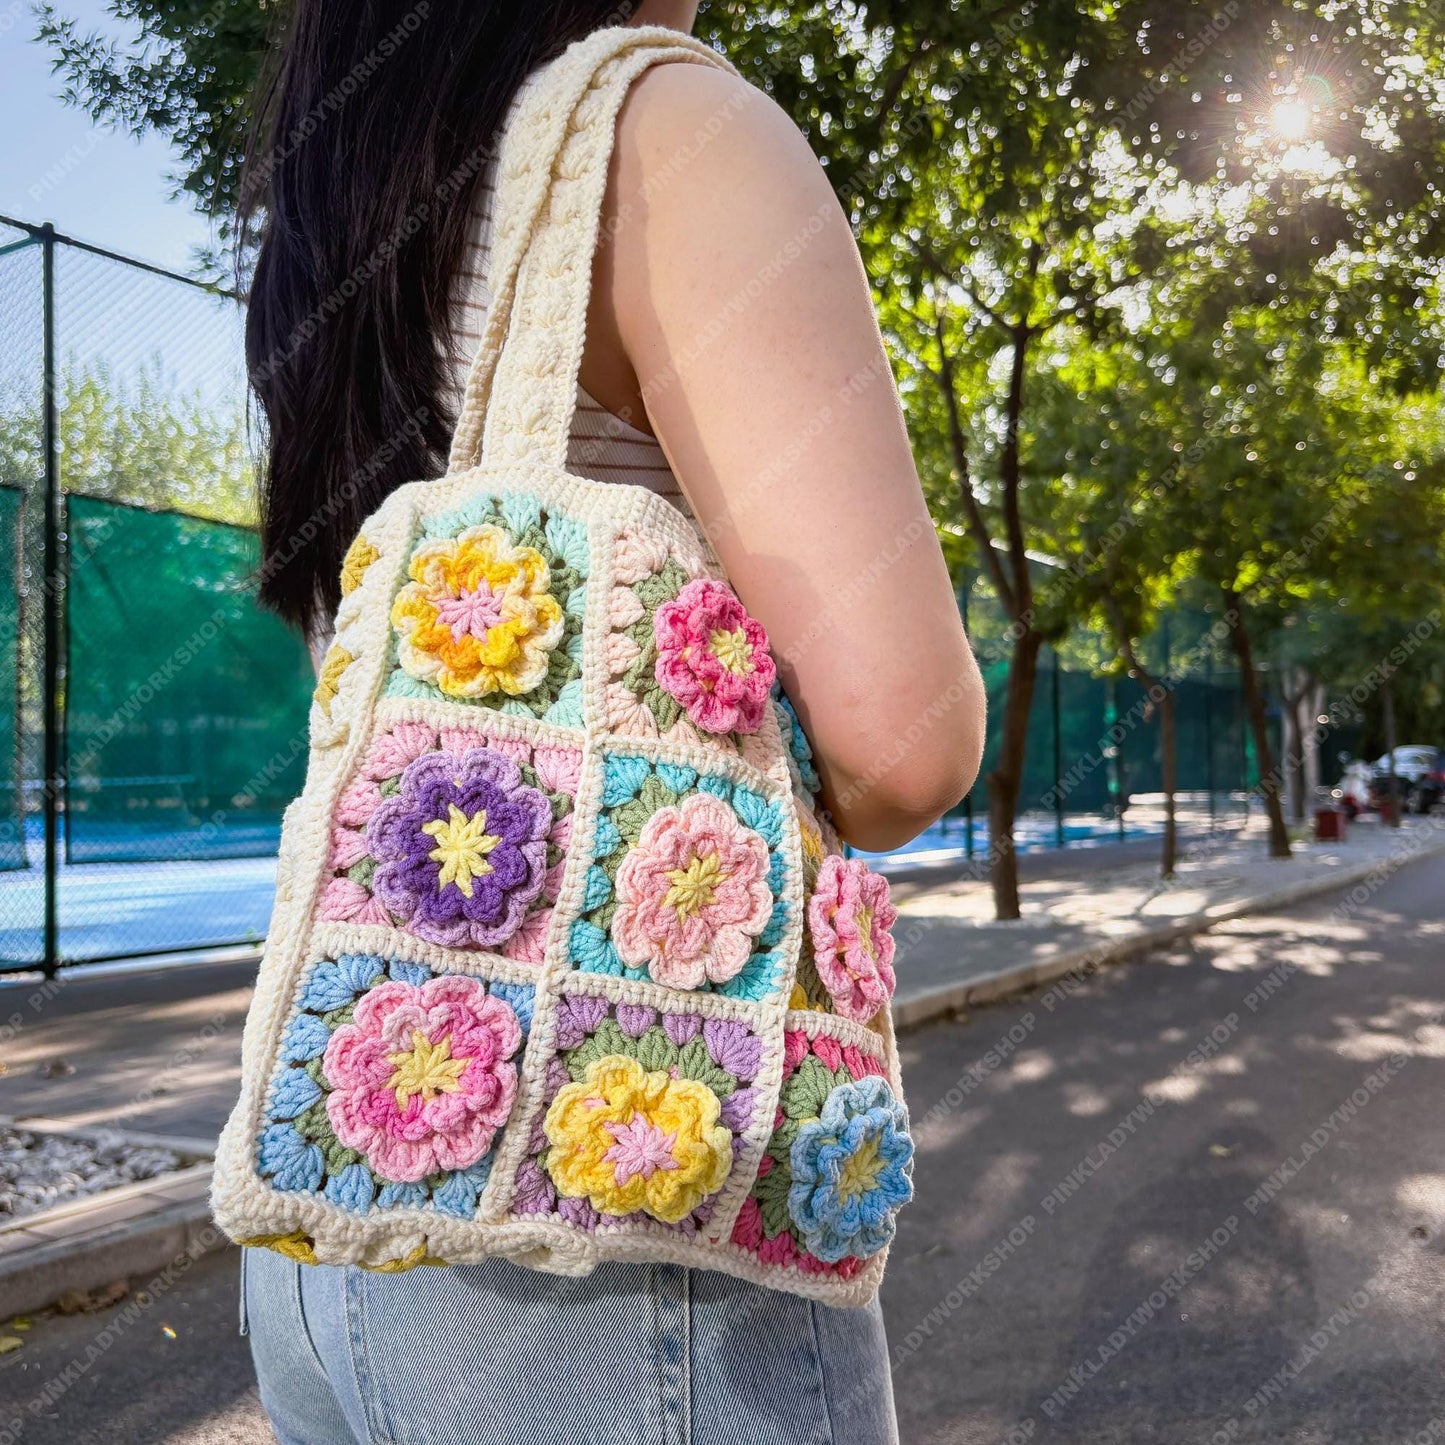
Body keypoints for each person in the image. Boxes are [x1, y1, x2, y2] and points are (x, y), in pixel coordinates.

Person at [239, 1, 985, 1441]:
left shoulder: (344, 213)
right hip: (615, 1232)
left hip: (330, 1239)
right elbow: (906, 744)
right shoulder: (667, 127)